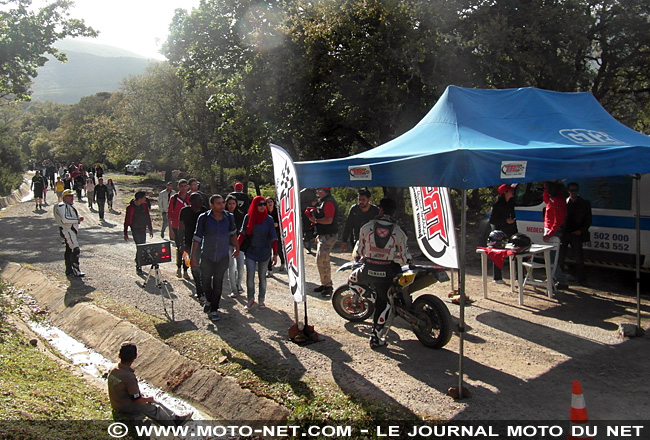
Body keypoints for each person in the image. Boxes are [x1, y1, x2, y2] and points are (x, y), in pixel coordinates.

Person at [353, 198, 411, 348]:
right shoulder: (399, 231)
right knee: (383, 302)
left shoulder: (366, 227)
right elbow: (405, 258)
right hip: (387, 273)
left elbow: (359, 251)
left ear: (380, 210)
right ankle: (376, 337)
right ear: (394, 212)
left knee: (352, 281)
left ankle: (370, 297)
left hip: (367, 269)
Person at [107, 342, 191, 427]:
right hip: (126, 407)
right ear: (135, 357)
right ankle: (173, 426)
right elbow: (137, 400)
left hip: (117, 402)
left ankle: (175, 417)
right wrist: (147, 399)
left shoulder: (113, 368)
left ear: (119, 355)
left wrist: (146, 398)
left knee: (152, 400)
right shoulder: (129, 377)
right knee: (156, 410)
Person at [191, 195, 240, 321]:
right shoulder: (203, 218)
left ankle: (214, 309)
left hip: (223, 256)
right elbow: (197, 238)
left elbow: (233, 234)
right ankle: (209, 300)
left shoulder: (229, 218)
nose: (222, 205)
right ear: (211, 205)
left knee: (218, 283)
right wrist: (193, 257)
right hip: (207, 255)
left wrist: (237, 247)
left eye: (222, 202)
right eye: (218, 203)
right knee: (205, 282)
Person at [238, 196, 278, 311]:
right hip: (251, 251)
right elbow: (243, 234)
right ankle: (250, 300)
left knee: (262, 277)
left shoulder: (269, 219)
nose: (262, 206)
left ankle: (261, 300)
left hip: (264, 252)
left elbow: (273, 237)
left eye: (264, 204)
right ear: (255, 205)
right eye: (259, 204)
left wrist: (275, 254)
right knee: (250, 276)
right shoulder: (248, 217)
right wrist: (237, 248)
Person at [306, 187, 338, 297]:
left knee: (322, 260)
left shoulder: (328, 202)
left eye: (320, 190)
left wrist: (315, 220)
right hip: (324, 235)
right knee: (321, 260)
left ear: (325, 191)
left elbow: (329, 220)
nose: (317, 191)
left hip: (328, 236)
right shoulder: (324, 201)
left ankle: (328, 286)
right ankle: (325, 284)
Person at [559, 182, 592, 286]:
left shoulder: (584, 203)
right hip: (564, 233)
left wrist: (581, 230)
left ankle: (582, 280)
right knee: (560, 257)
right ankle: (560, 279)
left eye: (575, 190)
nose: (574, 192)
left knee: (579, 258)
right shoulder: (563, 203)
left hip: (576, 234)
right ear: (568, 191)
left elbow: (588, 220)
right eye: (572, 190)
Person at [179, 193, 207, 300]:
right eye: (197, 201)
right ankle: (199, 290)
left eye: (200, 200)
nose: (199, 203)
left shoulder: (204, 211)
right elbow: (181, 228)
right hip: (188, 243)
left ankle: (203, 289)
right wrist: (181, 243)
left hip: (202, 243)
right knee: (192, 266)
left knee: (202, 267)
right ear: (191, 202)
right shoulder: (185, 211)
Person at [489, 184, 518, 284]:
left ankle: (518, 276)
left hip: (511, 231)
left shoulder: (511, 203)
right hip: (499, 233)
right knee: (498, 254)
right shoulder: (497, 204)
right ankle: (497, 277)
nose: (512, 192)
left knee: (516, 251)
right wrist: (505, 221)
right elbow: (492, 220)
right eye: (510, 191)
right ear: (504, 192)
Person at [543, 181, 569, 289]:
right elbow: (545, 200)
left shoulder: (558, 201)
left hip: (554, 232)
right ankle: (553, 278)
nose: (548, 190)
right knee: (549, 257)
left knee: (552, 258)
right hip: (549, 230)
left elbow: (558, 221)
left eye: (549, 188)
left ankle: (561, 281)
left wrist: (549, 234)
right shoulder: (552, 199)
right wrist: (545, 187)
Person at [53, 189, 85, 277]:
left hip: (70, 230)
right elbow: (65, 219)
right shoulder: (62, 206)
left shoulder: (68, 205)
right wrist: (77, 220)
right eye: (69, 196)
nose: (72, 198)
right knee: (75, 249)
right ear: (64, 197)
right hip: (67, 230)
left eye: (72, 196)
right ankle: (76, 270)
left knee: (69, 249)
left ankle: (69, 270)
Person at [124, 191, 154, 275]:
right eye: (144, 197)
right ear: (140, 198)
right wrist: (125, 233)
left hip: (143, 228)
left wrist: (150, 229)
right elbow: (126, 220)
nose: (145, 199)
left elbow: (148, 217)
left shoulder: (144, 206)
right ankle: (139, 265)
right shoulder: (130, 208)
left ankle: (138, 260)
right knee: (139, 246)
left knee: (142, 246)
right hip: (135, 229)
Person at [168, 179, 191, 279]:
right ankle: (178, 267)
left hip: (187, 227)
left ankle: (186, 270)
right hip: (176, 227)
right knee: (179, 248)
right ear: (178, 187)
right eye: (181, 186)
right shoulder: (174, 198)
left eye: (185, 185)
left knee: (186, 249)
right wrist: (170, 229)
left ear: (187, 187)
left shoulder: (190, 198)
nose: (183, 187)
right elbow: (169, 214)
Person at [225, 195, 245, 297]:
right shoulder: (223, 216)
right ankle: (233, 288)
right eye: (230, 204)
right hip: (227, 244)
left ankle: (238, 284)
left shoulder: (241, 216)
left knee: (241, 267)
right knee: (231, 267)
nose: (232, 205)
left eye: (233, 203)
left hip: (239, 244)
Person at [265, 196, 285, 276]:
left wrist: (277, 224)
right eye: (268, 202)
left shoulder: (277, 211)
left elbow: (282, 221)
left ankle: (283, 263)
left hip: (277, 233)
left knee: (279, 248)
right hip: (267, 233)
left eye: (271, 202)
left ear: (274, 203)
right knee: (268, 251)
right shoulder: (265, 212)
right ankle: (269, 269)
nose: (269, 204)